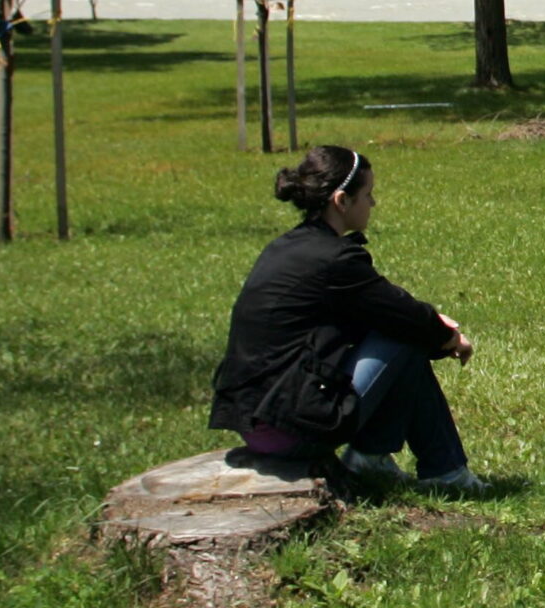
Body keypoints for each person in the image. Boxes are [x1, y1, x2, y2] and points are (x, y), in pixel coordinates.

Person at [208, 144, 490, 494]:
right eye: (368, 195)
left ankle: (383, 460)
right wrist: (447, 337)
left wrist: (429, 323)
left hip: (255, 421)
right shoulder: (334, 260)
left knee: (401, 332)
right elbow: (401, 314)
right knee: (403, 337)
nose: (373, 204)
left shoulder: (288, 248)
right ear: (341, 201)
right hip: (290, 431)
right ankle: (445, 473)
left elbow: (383, 311)